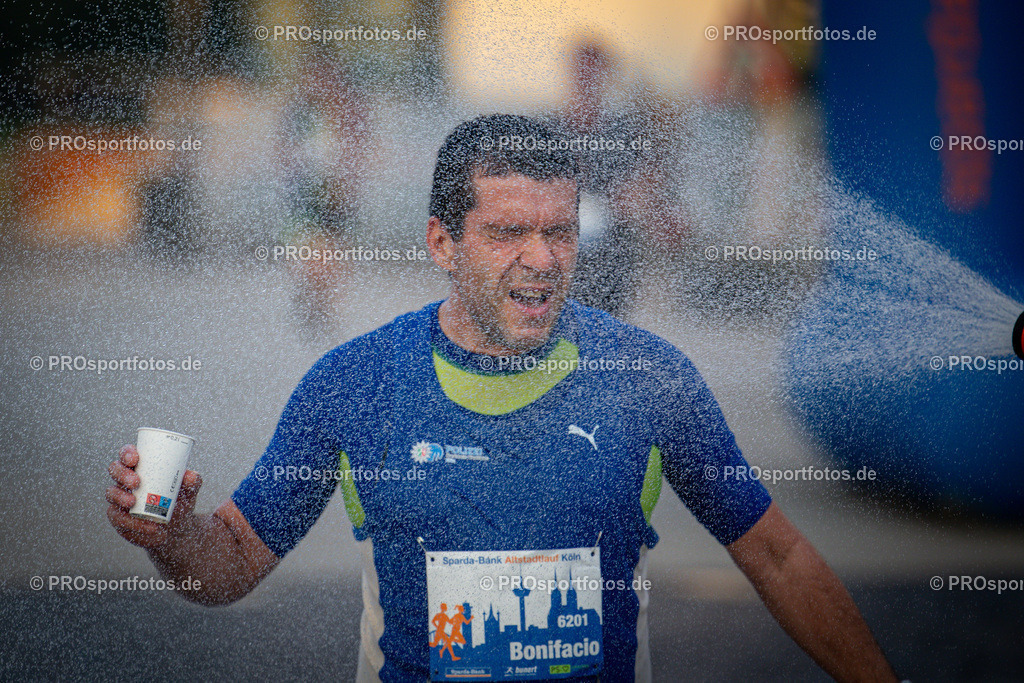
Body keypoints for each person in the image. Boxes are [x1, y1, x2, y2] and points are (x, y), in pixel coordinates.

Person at [107, 115, 899, 682]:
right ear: (442, 242)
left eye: (560, 232)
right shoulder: (356, 383)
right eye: (508, 231)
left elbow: (779, 551)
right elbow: (233, 563)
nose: (543, 258)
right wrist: (173, 539)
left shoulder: (648, 378)